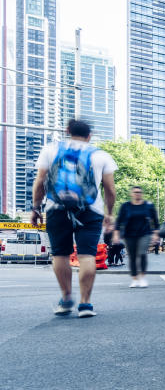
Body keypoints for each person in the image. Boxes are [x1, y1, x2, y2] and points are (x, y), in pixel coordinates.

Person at [31, 119, 117, 318]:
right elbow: (110, 190)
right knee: (87, 256)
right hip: (90, 211)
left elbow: (40, 183)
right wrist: (109, 213)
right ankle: (85, 304)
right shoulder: (100, 155)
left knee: (60, 255)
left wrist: (36, 208)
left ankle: (66, 297)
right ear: (90, 135)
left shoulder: (50, 150)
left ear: (67, 131)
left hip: (56, 209)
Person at [114, 186, 160, 288]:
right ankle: (134, 278)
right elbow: (119, 221)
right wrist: (116, 234)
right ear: (131, 194)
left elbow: (155, 221)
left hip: (144, 234)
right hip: (129, 235)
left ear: (141, 193)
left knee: (142, 253)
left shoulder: (148, 206)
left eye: (139, 192)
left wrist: (156, 234)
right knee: (132, 257)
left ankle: (142, 277)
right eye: (135, 192)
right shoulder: (126, 206)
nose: (137, 194)